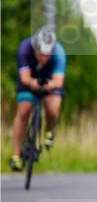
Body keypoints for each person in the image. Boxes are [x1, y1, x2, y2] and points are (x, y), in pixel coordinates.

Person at [9, 27, 66, 171]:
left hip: (50, 82)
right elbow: (24, 77)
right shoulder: (24, 48)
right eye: (41, 54)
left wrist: (50, 85)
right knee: (24, 110)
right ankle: (16, 156)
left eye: (48, 55)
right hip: (29, 81)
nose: (44, 58)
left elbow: (59, 81)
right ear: (35, 48)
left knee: (52, 110)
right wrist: (32, 83)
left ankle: (49, 130)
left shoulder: (59, 52)